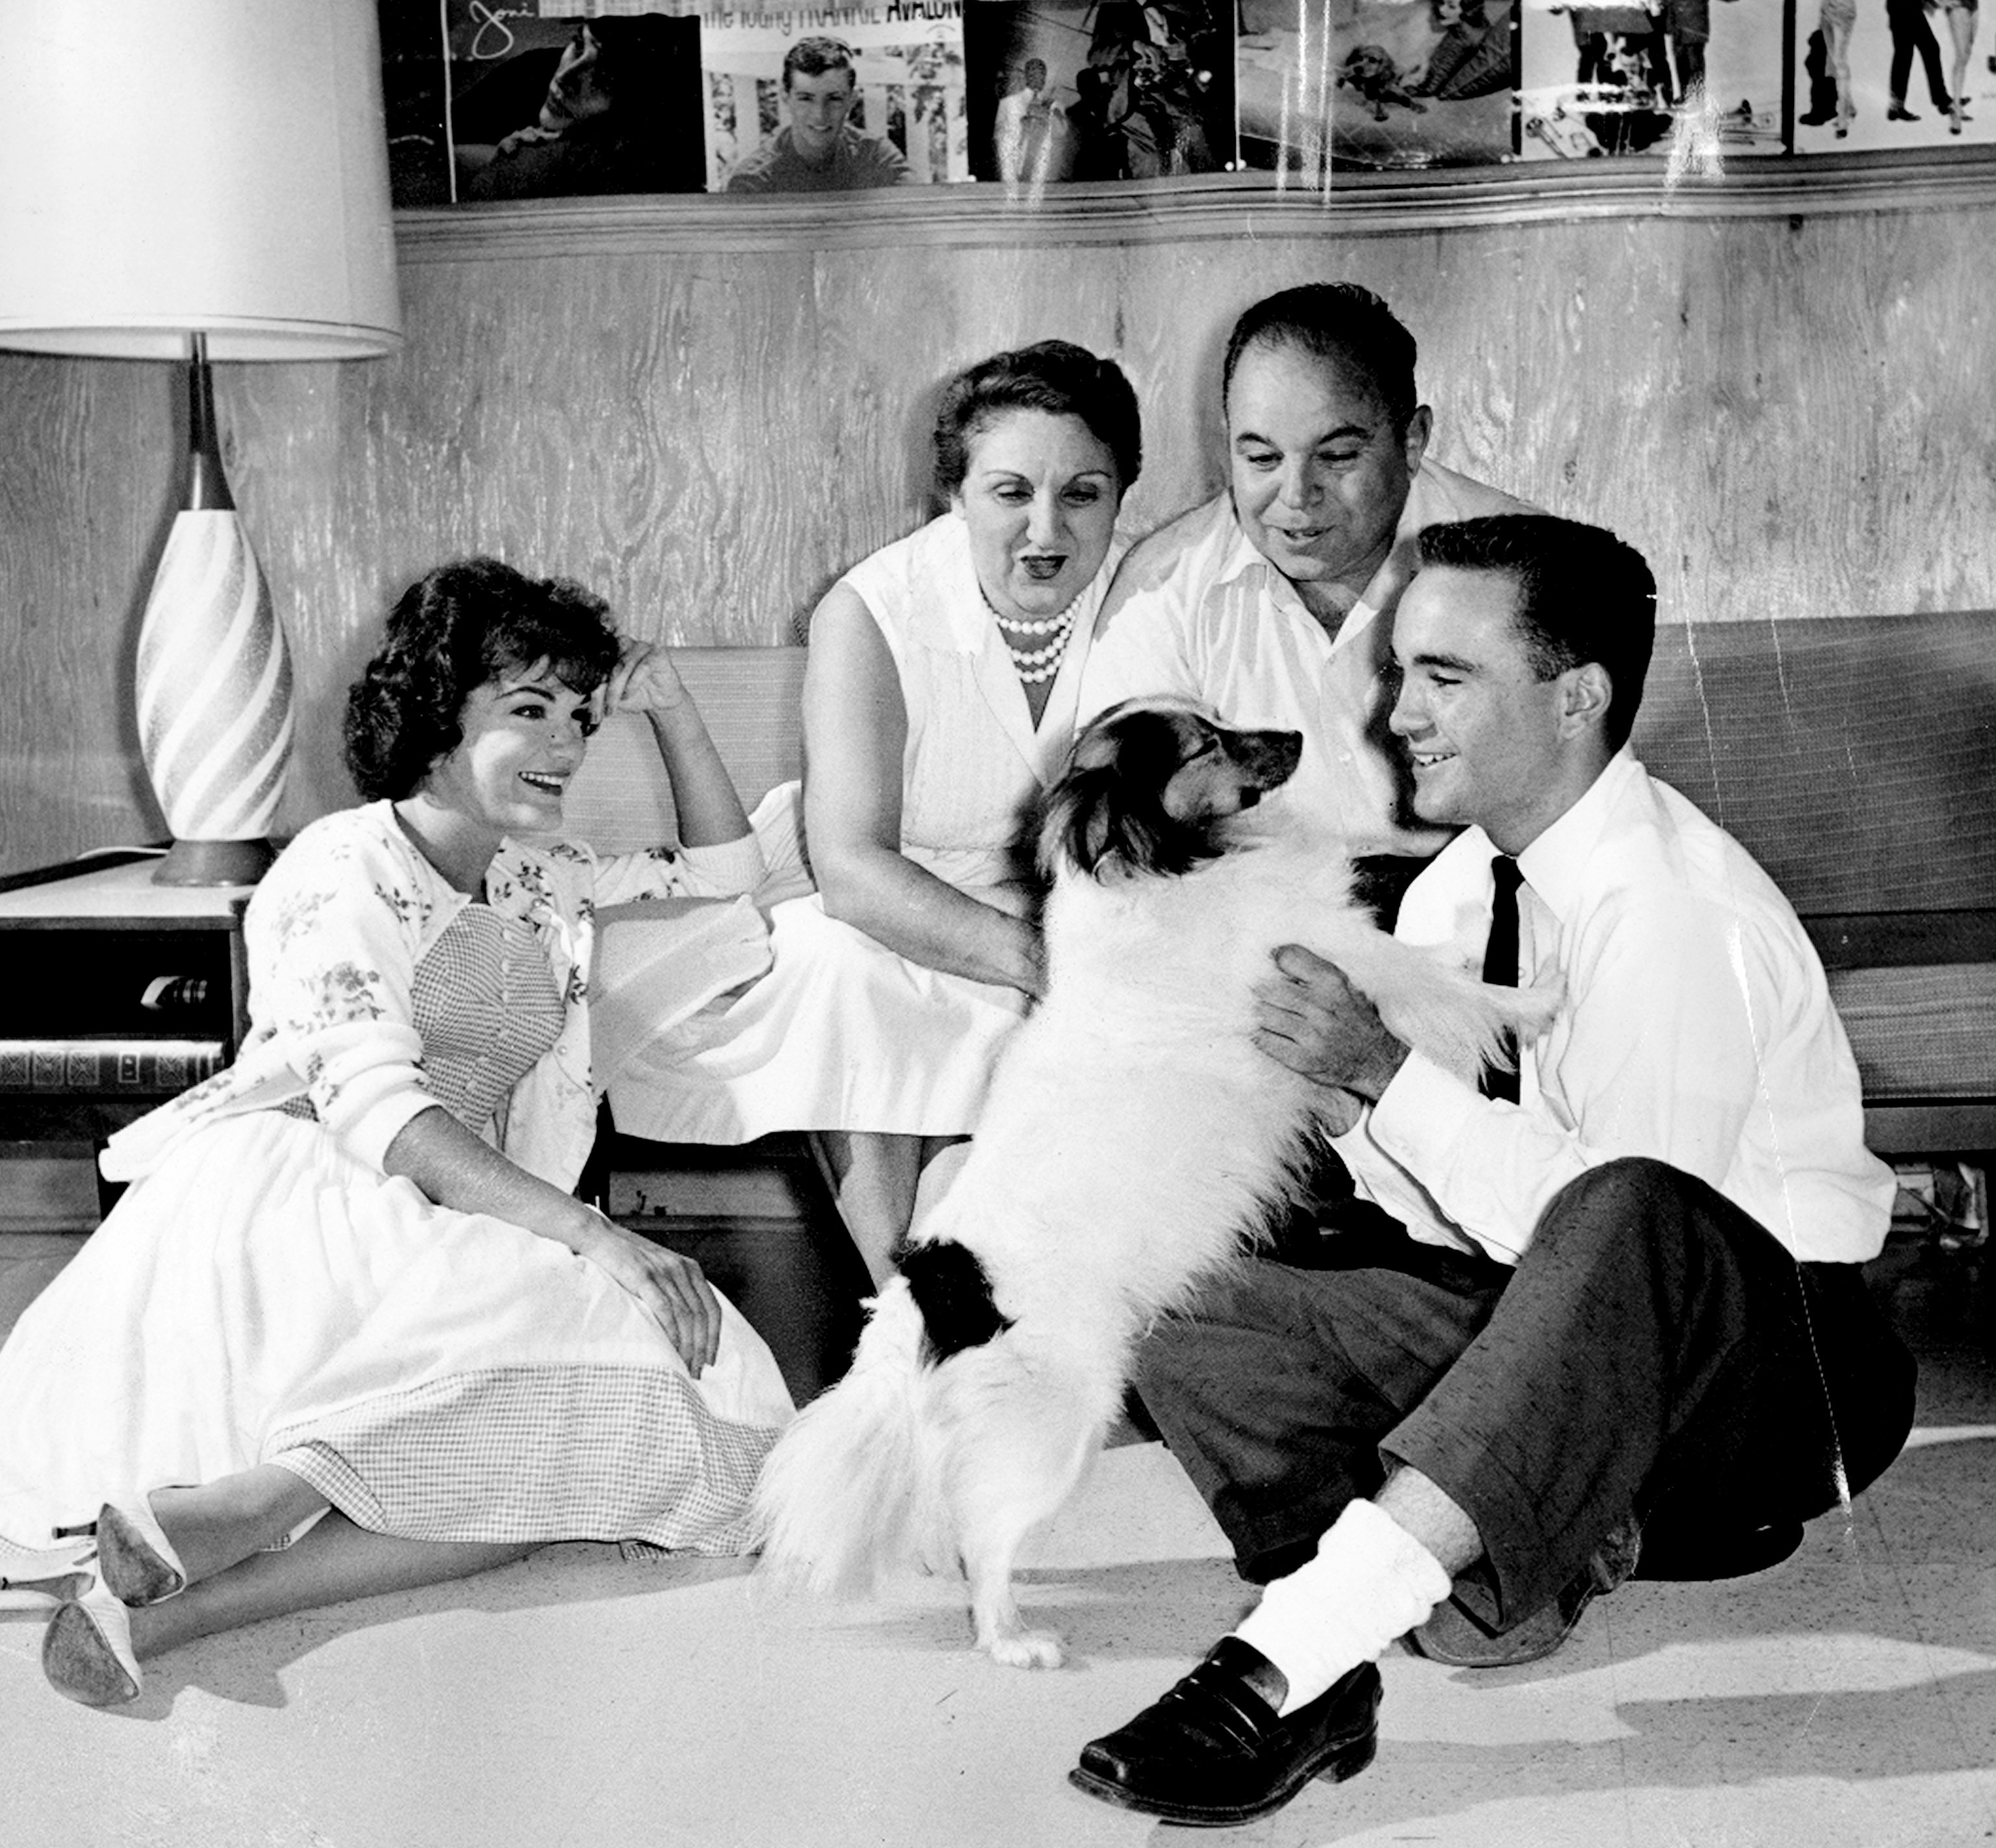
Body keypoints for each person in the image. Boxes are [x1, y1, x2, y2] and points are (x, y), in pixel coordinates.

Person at [1066, 513, 1917, 1828]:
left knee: (1627, 1206)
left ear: (1575, 698)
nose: (1397, 713)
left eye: (1444, 678)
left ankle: (1286, 1655)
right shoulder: (1462, 887)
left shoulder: (1670, 908)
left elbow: (1616, 1255)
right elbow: (1435, 1210)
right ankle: (1400, 1602)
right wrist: (1342, 1100)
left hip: (1771, 1383)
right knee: (1180, 1285)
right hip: (1563, 1325)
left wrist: (1383, 1075)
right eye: (1403, 671)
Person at [0, 559, 795, 1708]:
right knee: (599, 1335)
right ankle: (253, 1508)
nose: (567, 742)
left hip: (449, 1203)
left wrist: (664, 705)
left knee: (667, 1389)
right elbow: (378, 1110)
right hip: (306, 1190)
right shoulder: (337, 864)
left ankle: (195, 1565)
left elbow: (730, 872)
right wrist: (594, 1234)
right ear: (434, 714)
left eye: (579, 713)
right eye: (527, 709)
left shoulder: (541, 872)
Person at [608, 342, 1142, 1285]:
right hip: (875, 897)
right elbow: (853, 868)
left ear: (1121, 497)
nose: (1046, 529)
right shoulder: (872, 609)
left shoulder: (1151, 594)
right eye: (1010, 492)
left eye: (1084, 494)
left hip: (1058, 899)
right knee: (846, 971)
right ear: (955, 495)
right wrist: (1050, 965)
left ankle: (993, 1317)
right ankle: (902, 1308)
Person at [1079, 282, 1533, 918]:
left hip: (1482, 917)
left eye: (1337, 456)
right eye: (1262, 457)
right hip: (1253, 928)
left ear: (1412, 439)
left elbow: (1568, 833)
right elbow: (1120, 851)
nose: (1296, 495)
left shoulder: (1523, 568)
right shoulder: (1162, 588)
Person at [456, 18, 693, 201]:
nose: (565, 76)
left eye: (604, 77)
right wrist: (500, 158)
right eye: (579, 45)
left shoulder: (639, 157)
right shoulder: (530, 73)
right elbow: (438, 150)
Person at [724, 38, 913, 194]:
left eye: (834, 99)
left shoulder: (876, 156)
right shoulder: (753, 181)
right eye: (806, 98)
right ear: (785, 97)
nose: (820, 114)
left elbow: (918, 219)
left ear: (852, 100)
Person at [995, 57, 1071, 183]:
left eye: (1041, 73)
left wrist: (1047, 115)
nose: (1037, 77)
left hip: (1045, 171)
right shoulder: (1008, 104)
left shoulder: (1056, 106)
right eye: (1033, 73)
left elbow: (1061, 135)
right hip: (1015, 170)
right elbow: (999, 138)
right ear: (1026, 76)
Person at [1886, 0, 1953, 119]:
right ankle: (1941, 99)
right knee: (1928, 50)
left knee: (1904, 56)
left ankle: (1896, 106)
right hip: (1907, 8)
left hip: (1901, 8)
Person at [1925, 0, 1980, 131]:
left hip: (1973, 6)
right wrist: (1939, 3)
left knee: (1966, 55)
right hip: (1958, 8)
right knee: (1961, 57)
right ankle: (1956, 109)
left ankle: (1957, 105)